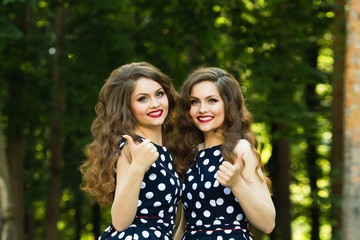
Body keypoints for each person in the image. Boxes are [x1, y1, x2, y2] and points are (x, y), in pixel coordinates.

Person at [80, 62, 182, 240]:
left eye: (159, 94)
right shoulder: (133, 147)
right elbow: (120, 222)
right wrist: (137, 167)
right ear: (127, 107)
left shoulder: (160, 150)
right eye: (143, 99)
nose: (155, 104)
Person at [173, 67, 275, 240]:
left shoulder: (240, 149)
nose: (202, 109)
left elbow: (268, 223)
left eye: (212, 100)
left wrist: (236, 184)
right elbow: (186, 223)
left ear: (228, 105)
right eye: (194, 102)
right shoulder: (191, 154)